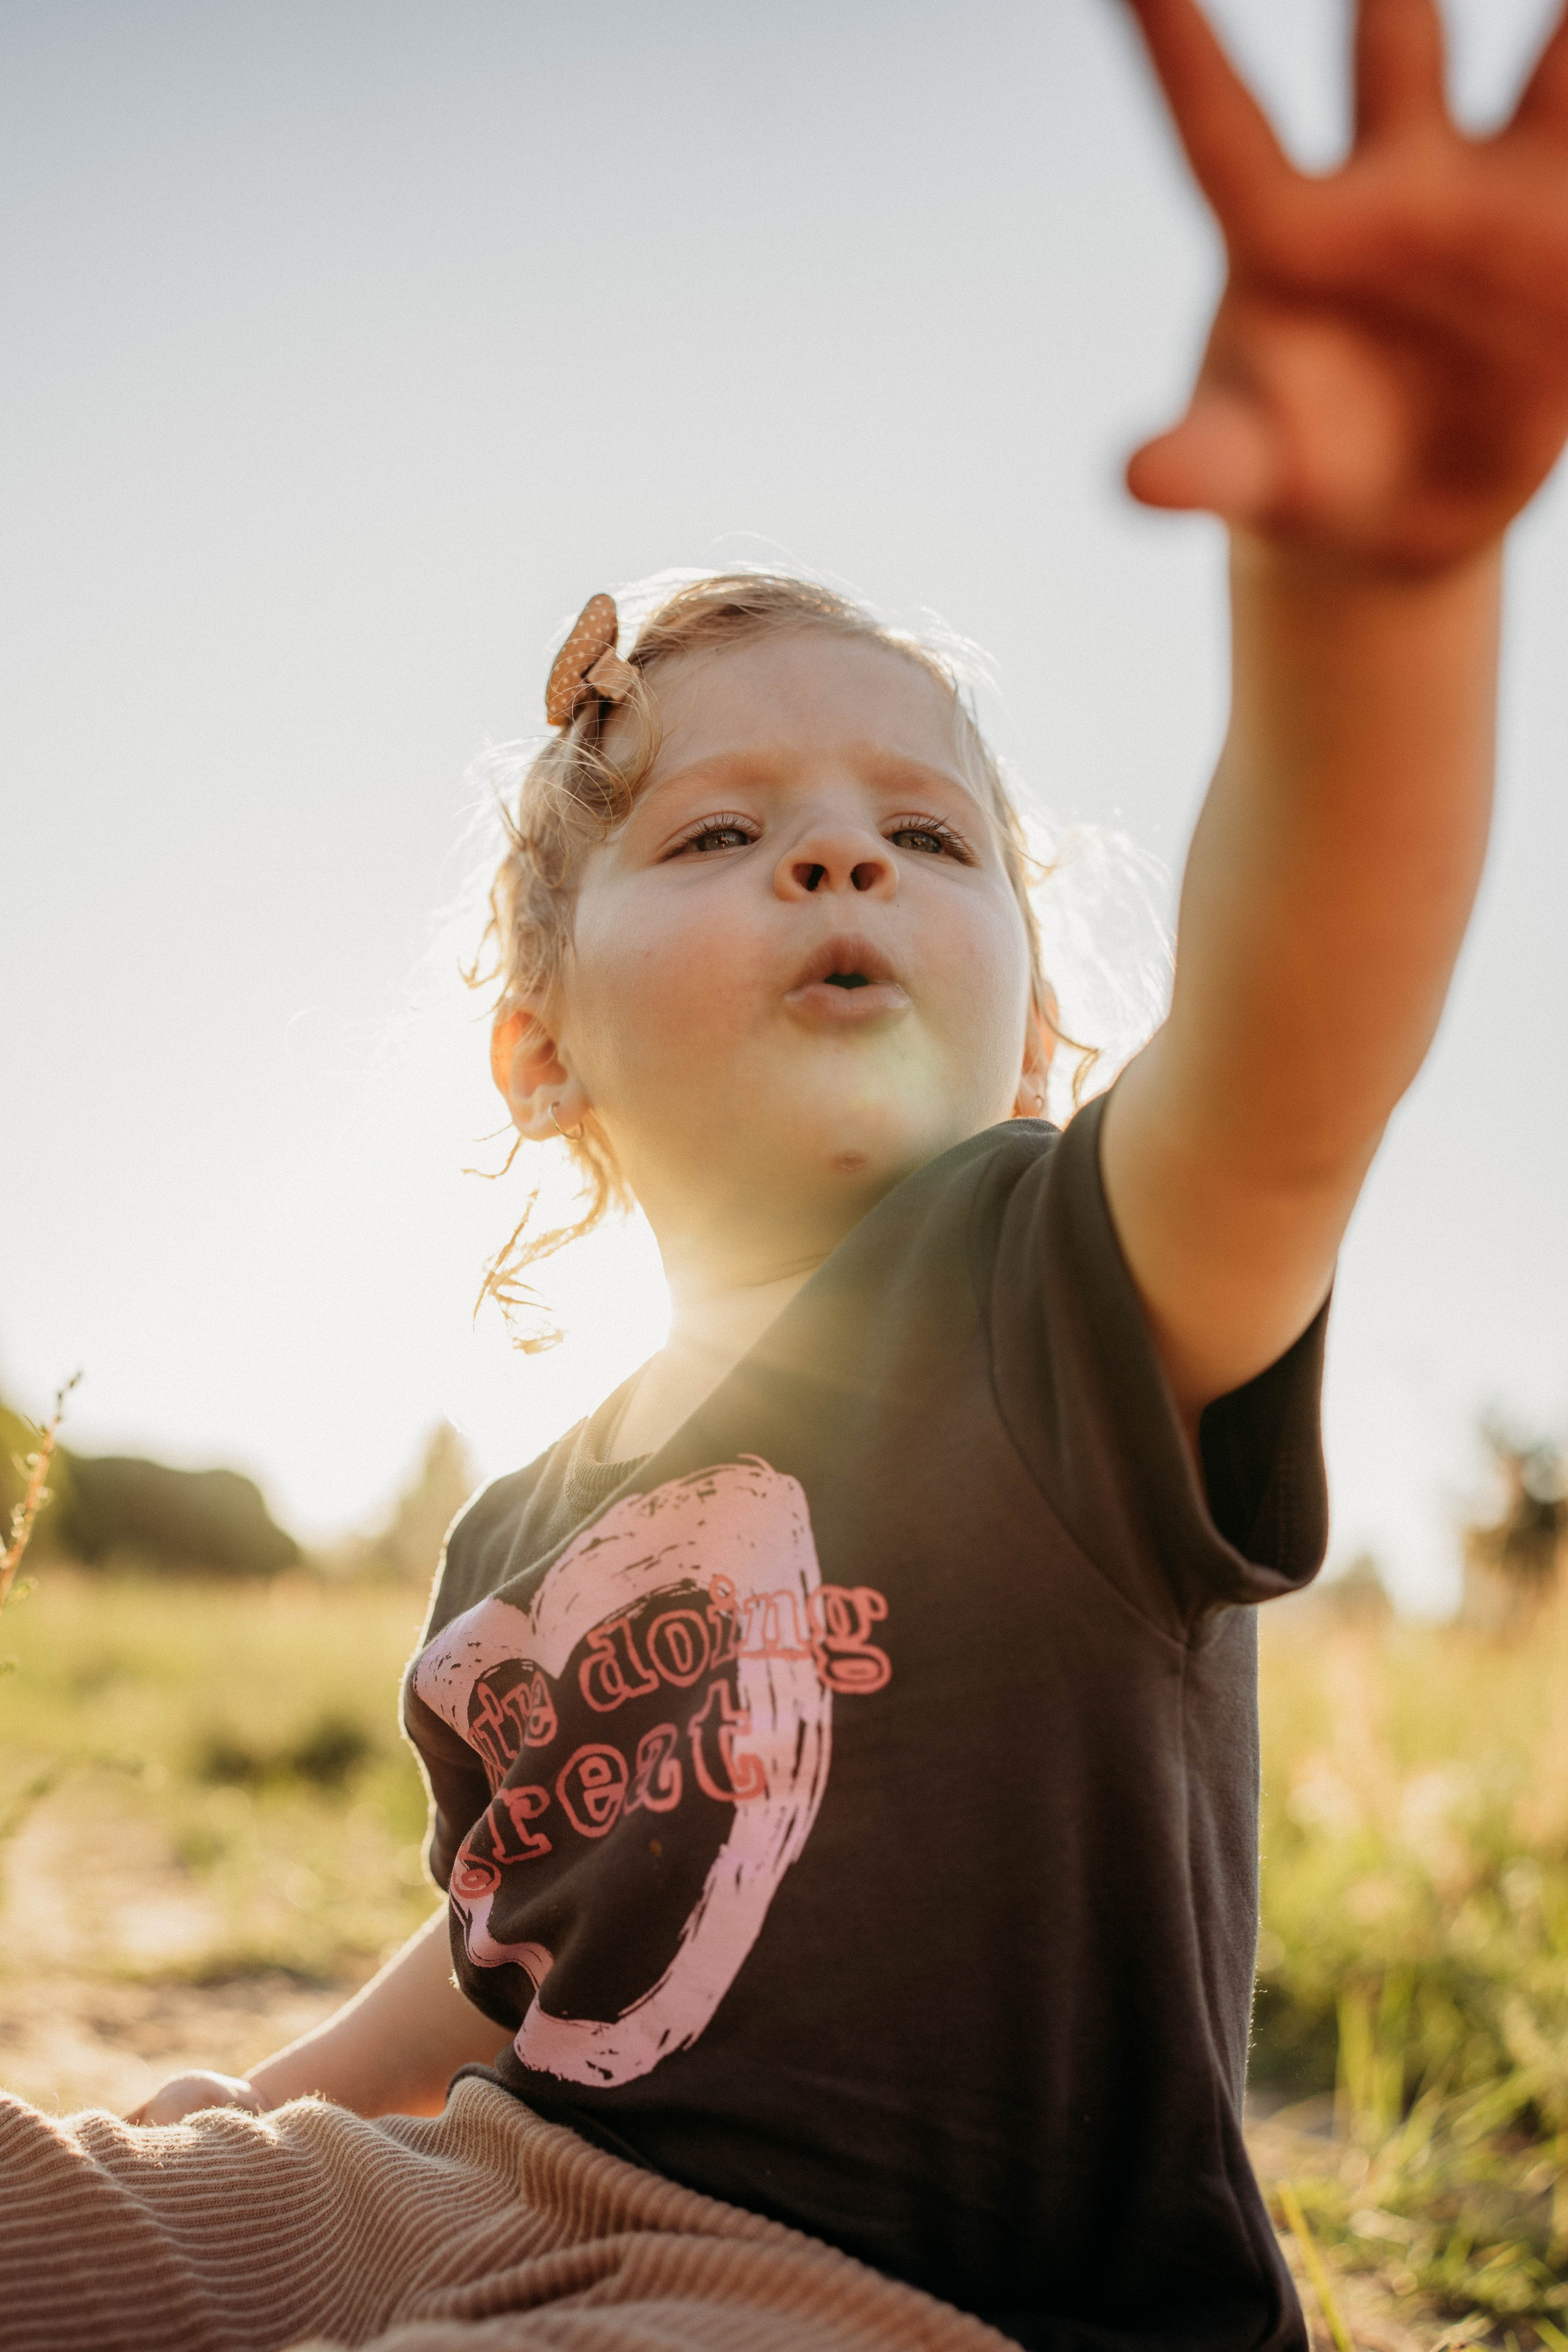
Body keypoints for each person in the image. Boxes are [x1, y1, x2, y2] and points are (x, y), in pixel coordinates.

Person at [8, 3, 1568, 2348]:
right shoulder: (518, 1535)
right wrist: (216, 2138)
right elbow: (506, 1959)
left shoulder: (1062, 1296)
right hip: (497, 2197)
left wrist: (1375, 589)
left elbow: (1304, 1032)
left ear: (1041, 1029)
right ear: (547, 1053)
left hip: (904, 2302)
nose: (835, 849)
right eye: (722, 833)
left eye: (920, 835)